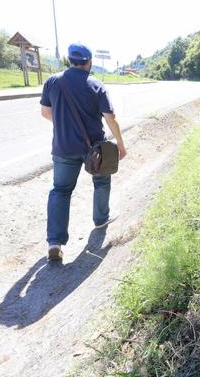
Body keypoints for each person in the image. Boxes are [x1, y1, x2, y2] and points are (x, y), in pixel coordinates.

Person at [40, 43, 127, 261]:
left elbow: (45, 113)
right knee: (101, 182)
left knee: (60, 190)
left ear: (70, 61)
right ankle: (100, 219)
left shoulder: (53, 81)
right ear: (89, 62)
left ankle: (55, 242)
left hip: (63, 147)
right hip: (94, 149)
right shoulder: (96, 85)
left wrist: (63, 124)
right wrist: (120, 144)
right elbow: (110, 118)